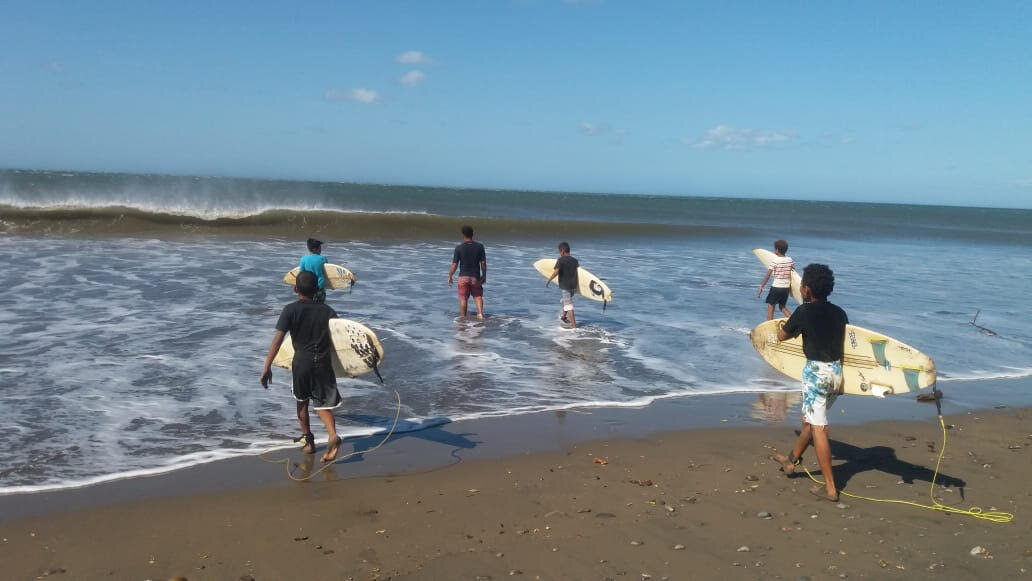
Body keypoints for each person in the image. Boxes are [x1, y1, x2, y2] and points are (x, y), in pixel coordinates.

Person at [771, 263, 848, 502]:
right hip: (836, 372)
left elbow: (782, 336)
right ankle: (791, 460)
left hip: (816, 373)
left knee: (819, 428)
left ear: (806, 290)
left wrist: (786, 326)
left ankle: (830, 488)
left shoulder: (804, 312)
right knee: (809, 422)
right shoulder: (840, 312)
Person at [260, 270, 343, 463]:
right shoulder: (327, 310)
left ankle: (309, 442)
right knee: (323, 405)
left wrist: (267, 366)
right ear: (317, 290)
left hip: (302, 363)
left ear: (295, 288)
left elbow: (278, 340)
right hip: (323, 362)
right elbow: (340, 340)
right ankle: (332, 435)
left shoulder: (290, 310)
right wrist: (349, 368)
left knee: (302, 402)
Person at [448, 225, 487, 319]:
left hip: (463, 277)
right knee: (478, 296)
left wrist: (450, 275)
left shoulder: (459, 248)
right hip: (475, 277)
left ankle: (463, 318)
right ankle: (480, 314)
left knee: (463, 299)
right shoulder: (480, 246)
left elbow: (454, 264)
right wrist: (484, 275)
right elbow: (483, 263)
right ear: (472, 234)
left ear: (462, 234)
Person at [756, 239, 795, 320]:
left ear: (777, 250)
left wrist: (761, 287)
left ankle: (769, 324)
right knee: (782, 307)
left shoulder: (775, 261)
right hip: (786, 288)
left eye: (774, 249)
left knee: (771, 306)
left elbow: (768, 275)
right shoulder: (790, 260)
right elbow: (793, 272)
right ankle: (794, 321)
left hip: (776, 287)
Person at [545, 241, 579, 328]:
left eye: (559, 251)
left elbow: (556, 271)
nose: (559, 253)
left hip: (566, 286)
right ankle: (563, 317)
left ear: (563, 251)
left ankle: (574, 327)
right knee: (566, 301)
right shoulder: (575, 260)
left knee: (569, 305)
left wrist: (549, 280)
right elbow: (579, 273)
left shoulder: (561, 260)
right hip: (573, 286)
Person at [299, 238, 329, 304]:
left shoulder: (303, 259)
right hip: (319, 287)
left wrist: (298, 286)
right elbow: (327, 273)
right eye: (319, 248)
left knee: (307, 305)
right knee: (319, 306)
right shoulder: (322, 259)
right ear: (315, 249)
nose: (321, 249)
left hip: (307, 287)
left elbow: (301, 274)